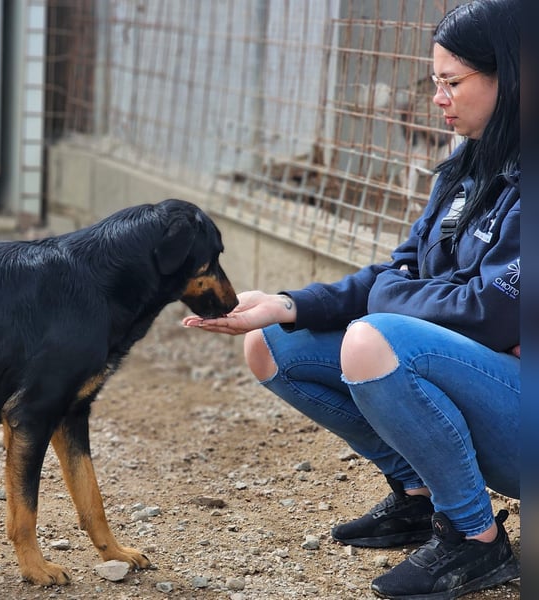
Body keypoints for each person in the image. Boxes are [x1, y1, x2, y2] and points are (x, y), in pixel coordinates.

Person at [183, 1, 520, 598]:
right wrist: (286, 304)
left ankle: (477, 541)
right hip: (499, 384)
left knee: (374, 341)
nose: (438, 98)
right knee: (270, 345)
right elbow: (401, 275)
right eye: (434, 81)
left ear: (514, 75)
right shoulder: (468, 166)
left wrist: (396, 294)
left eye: (452, 83)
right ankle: (420, 495)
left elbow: (490, 316)